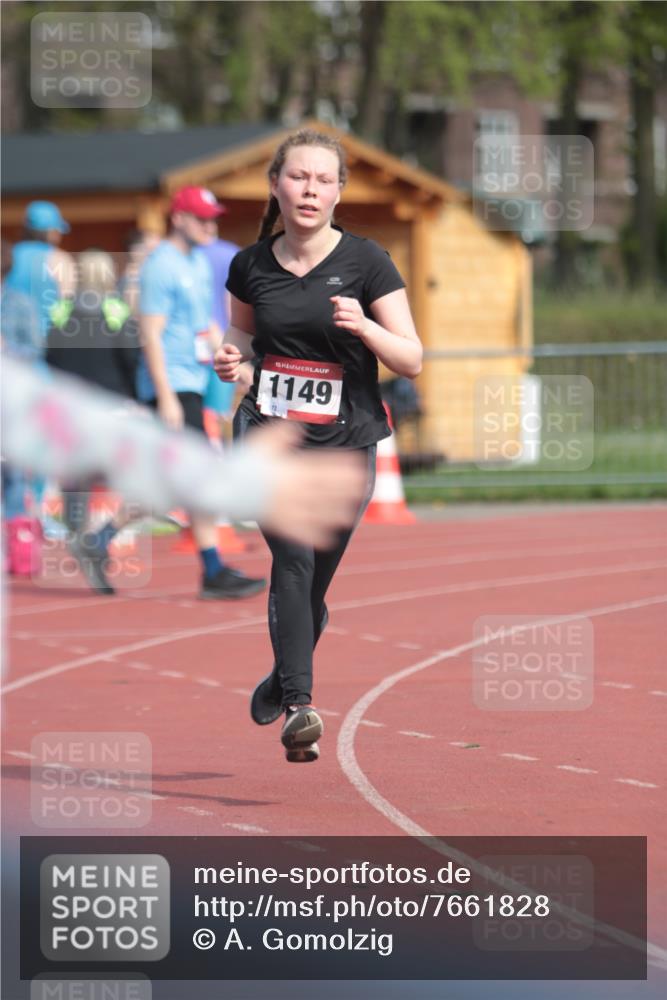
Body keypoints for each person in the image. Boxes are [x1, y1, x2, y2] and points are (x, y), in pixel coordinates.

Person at [214, 128, 422, 763]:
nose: (309, 189)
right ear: (275, 185)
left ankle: (282, 676)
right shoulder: (250, 265)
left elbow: (411, 358)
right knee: (293, 564)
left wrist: (365, 326)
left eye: (323, 179)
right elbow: (243, 339)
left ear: (338, 192)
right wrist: (232, 360)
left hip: (346, 441)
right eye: (298, 176)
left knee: (314, 583)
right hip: (268, 434)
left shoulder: (368, 262)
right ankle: (301, 707)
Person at [1, 355, 368, 553]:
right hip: (176, 393)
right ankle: (208, 566)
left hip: (190, 394)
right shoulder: (165, 267)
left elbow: (51, 419)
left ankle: (202, 563)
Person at [135, 186, 266, 600]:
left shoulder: (195, 263)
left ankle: (99, 537)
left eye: (214, 218)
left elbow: (206, 328)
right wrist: (166, 396)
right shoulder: (161, 266)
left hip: (191, 380)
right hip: (172, 386)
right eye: (203, 218)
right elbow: (150, 334)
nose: (212, 225)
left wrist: (241, 370)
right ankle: (212, 570)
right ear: (179, 218)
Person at [45, 250, 141, 594]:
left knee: (76, 488)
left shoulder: (61, 311)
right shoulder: (115, 311)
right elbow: (131, 357)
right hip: (109, 409)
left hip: (69, 411)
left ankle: (84, 539)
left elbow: (49, 357)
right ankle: (100, 537)